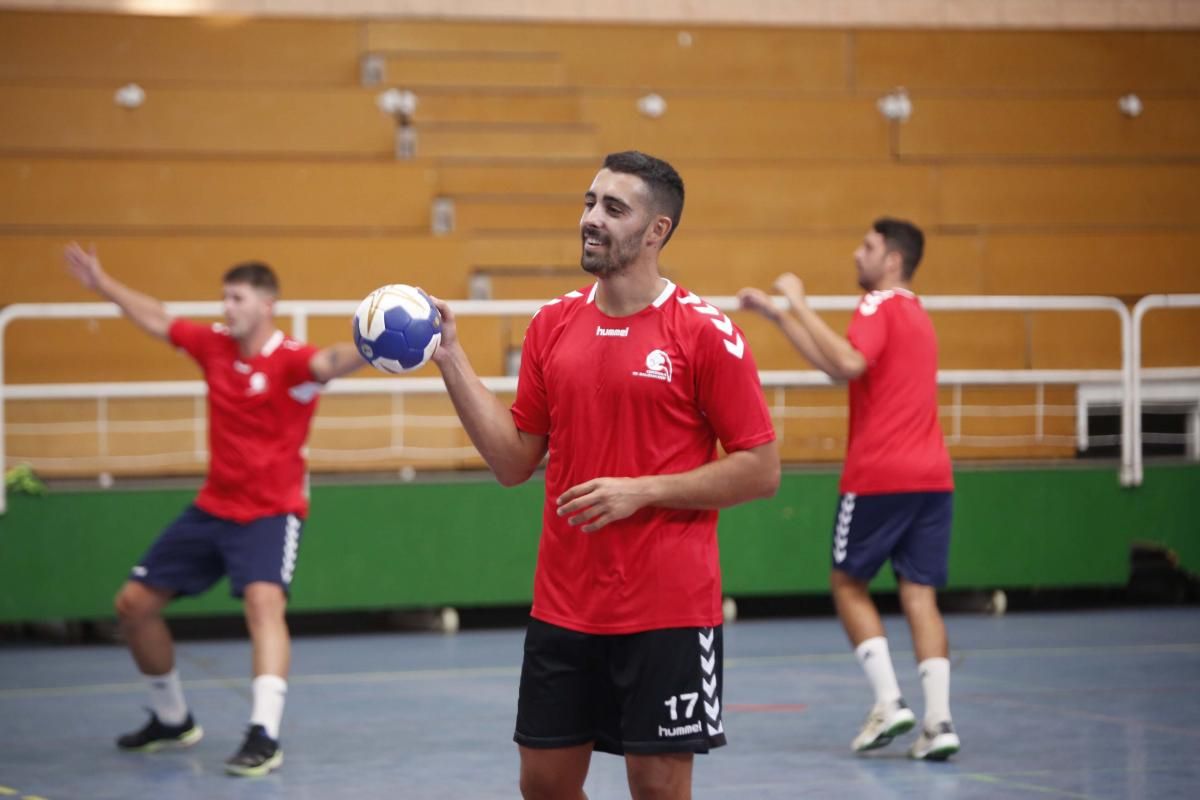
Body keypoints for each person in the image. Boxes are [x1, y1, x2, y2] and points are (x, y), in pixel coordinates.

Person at [426, 151, 780, 799]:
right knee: (545, 785)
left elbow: (761, 470)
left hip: (668, 610)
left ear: (656, 231)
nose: (591, 218)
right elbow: (513, 462)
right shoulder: (553, 324)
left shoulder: (704, 334)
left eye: (614, 208)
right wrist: (451, 358)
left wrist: (643, 490)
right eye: (590, 202)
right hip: (565, 604)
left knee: (657, 789)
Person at [63, 243, 366, 776]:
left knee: (262, 605)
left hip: (272, 512)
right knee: (133, 606)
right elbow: (159, 319)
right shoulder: (215, 346)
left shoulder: (292, 359)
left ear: (266, 304)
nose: (226, 307)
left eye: (237, 298)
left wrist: (371, 344)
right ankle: (172, 717)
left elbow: (330, 362)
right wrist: (102, 283)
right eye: (224, 297)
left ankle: (263, 735)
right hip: (213, 508)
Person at [738, 218, 960, 761]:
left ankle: (888, 701)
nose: (856, 254)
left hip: (879, 475)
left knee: (848, 585)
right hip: (933, 477)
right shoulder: (915, 313)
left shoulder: (876, 306)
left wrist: (799, 300)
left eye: (868, 246)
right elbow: (843, 370)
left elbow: (846, 361)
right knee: (918, 594)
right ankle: (939, 722)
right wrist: (780, 316)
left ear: (891, 260)